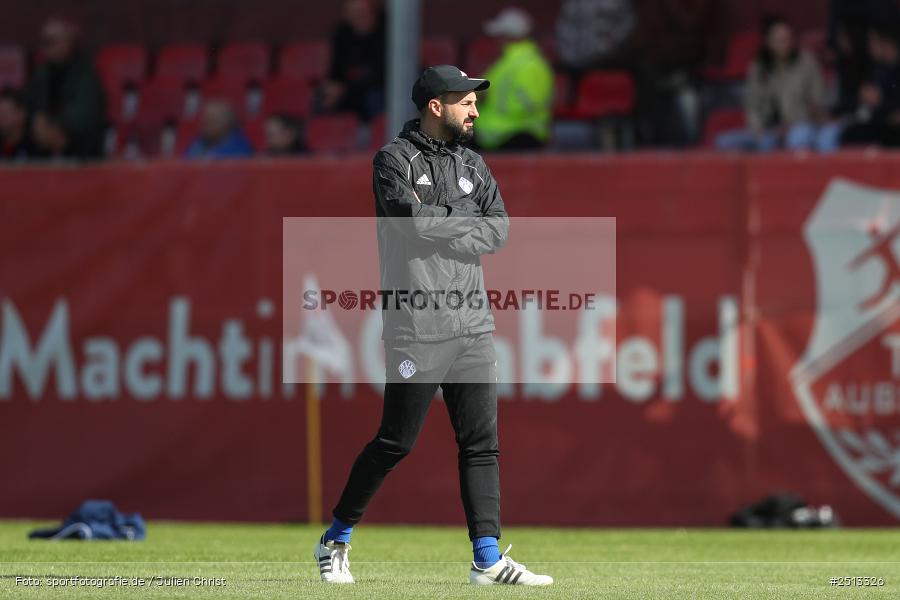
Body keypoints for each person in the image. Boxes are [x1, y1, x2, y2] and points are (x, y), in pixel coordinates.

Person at [313, 65, 552, 587]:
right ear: (435, 105)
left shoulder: (473, 162)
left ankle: (486, 560)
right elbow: (411, 225)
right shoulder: (393, 160)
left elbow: (499, 231)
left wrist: (443, 219)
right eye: (465, 100)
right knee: (396, 442)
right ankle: (335, 540)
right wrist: (459, 218)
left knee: (481, 443)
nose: (475, 110)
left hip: (472, 324)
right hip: (417, 324)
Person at [716, 16, 841, 153]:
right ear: (768, 42)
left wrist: (798, 121)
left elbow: (818, 102)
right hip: (768, 129)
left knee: (799, 136)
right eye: (779, 40)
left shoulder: (807, 63)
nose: (784, 43)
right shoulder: (759, 66)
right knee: (724, 142)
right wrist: (757, 127)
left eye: (787, 38)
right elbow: (752, 104)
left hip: (799, 126)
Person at [25, 17, 106, 159]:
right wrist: (37, 122)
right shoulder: (42, 72)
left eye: (51, 42)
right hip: (41, 144)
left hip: (78, 147)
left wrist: (58, 127)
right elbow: (30, 103)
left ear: (67, 43)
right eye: (44, 42)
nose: (46, 48)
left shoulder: (84, 73)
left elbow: (87, 112)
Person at [474, 8, 553, 151]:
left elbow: (530, 105)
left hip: (516, 137)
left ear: (507, 36)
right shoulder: (509, 62)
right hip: (497, 136)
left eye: (499, 35)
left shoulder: (530, 64)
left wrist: (485, 96)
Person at [320, 0, 385, 122]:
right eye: (353, 14)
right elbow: (336, 68)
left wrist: (346, 87)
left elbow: (383, 73)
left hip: (381, 88)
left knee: (374, 99)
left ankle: (373, 134)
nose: (358, 18)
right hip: (350, 88)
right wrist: (332, 85)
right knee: (321, 97)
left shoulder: (388, 29)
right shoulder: (343, 33)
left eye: (361, 13)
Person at [840, 24, 900, 147]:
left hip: (892, 131)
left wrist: (882, 101)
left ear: (887, 43)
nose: (870, 46)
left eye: (873, 41)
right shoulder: (876, 68)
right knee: (849, 134)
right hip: (878, 123)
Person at [184, 99, 253, 159]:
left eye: (213, 121)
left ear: (228, 123)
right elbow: (185, 161)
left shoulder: (240, 147)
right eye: (205, 120)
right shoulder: (200, 140)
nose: (207, 125)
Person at [0, 88, 36, 160]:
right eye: (0, 113)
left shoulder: (35, 148)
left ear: (21, 114)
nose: (2, 118)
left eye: (7, 112)